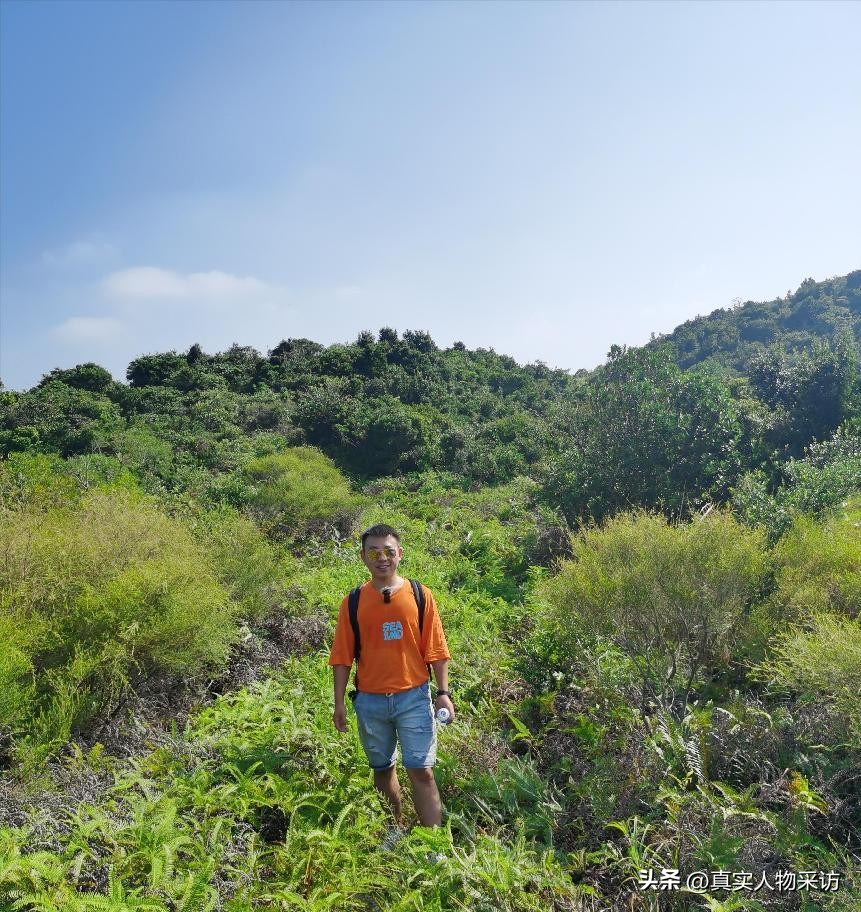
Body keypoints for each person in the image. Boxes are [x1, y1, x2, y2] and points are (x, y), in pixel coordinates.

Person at [329, 523, 455, 843]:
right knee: (382, 771)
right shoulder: (353, 601)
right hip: (370, 701)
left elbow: (436, 649)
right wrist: (339, 702)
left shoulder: (420, 595)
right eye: (374, 552)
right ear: (363, 557)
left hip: (413, 696)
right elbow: (342, 656)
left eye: (388, 551)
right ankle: (394, 832)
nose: (381, 558)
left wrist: (443, 693)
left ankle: (434, 844)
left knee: (421, 771)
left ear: (399, 554)